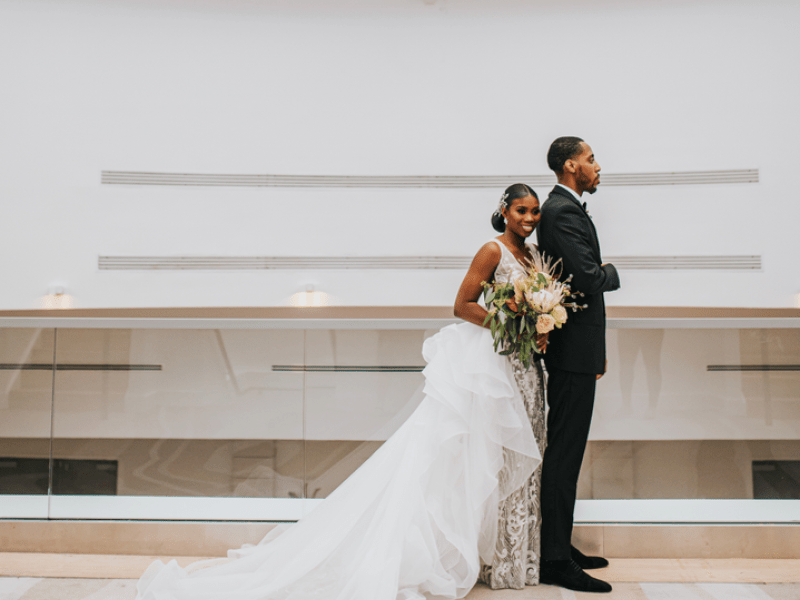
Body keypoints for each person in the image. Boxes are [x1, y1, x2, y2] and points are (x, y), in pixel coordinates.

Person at [135, 184, 545, 600]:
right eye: (521, 211)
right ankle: (447, 551)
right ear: (504, 212)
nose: (529, 219)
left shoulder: (532, 255)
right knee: (461, 456)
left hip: (520, 367)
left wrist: (538, 325)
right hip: (488, 365)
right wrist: (508, 324)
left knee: (494, 458)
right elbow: (462, 305)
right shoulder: (492, 251)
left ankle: (501, 554)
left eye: (534, 212)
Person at [536, 137, 621, 594]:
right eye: (590, 159)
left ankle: (559, 546)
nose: (597, 166)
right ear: (571, 166)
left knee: (567, 452)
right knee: (564, 454)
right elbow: (589, 278)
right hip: (570, 354)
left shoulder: (566, 208)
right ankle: (553, 559)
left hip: (578, 352)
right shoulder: (561, 211)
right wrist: (612, 271)